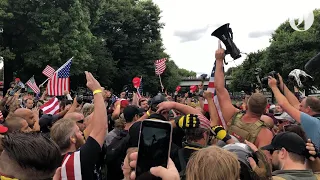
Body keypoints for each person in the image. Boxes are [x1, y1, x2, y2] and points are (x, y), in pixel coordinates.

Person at [268, 75, 320, 147]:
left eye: (301, 106)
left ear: (308, 109)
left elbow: (284, 105)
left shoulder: (312, 122)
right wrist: (281, 84)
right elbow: (295, 104)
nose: (299, 108)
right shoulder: (315, 118)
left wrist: (273, 87)